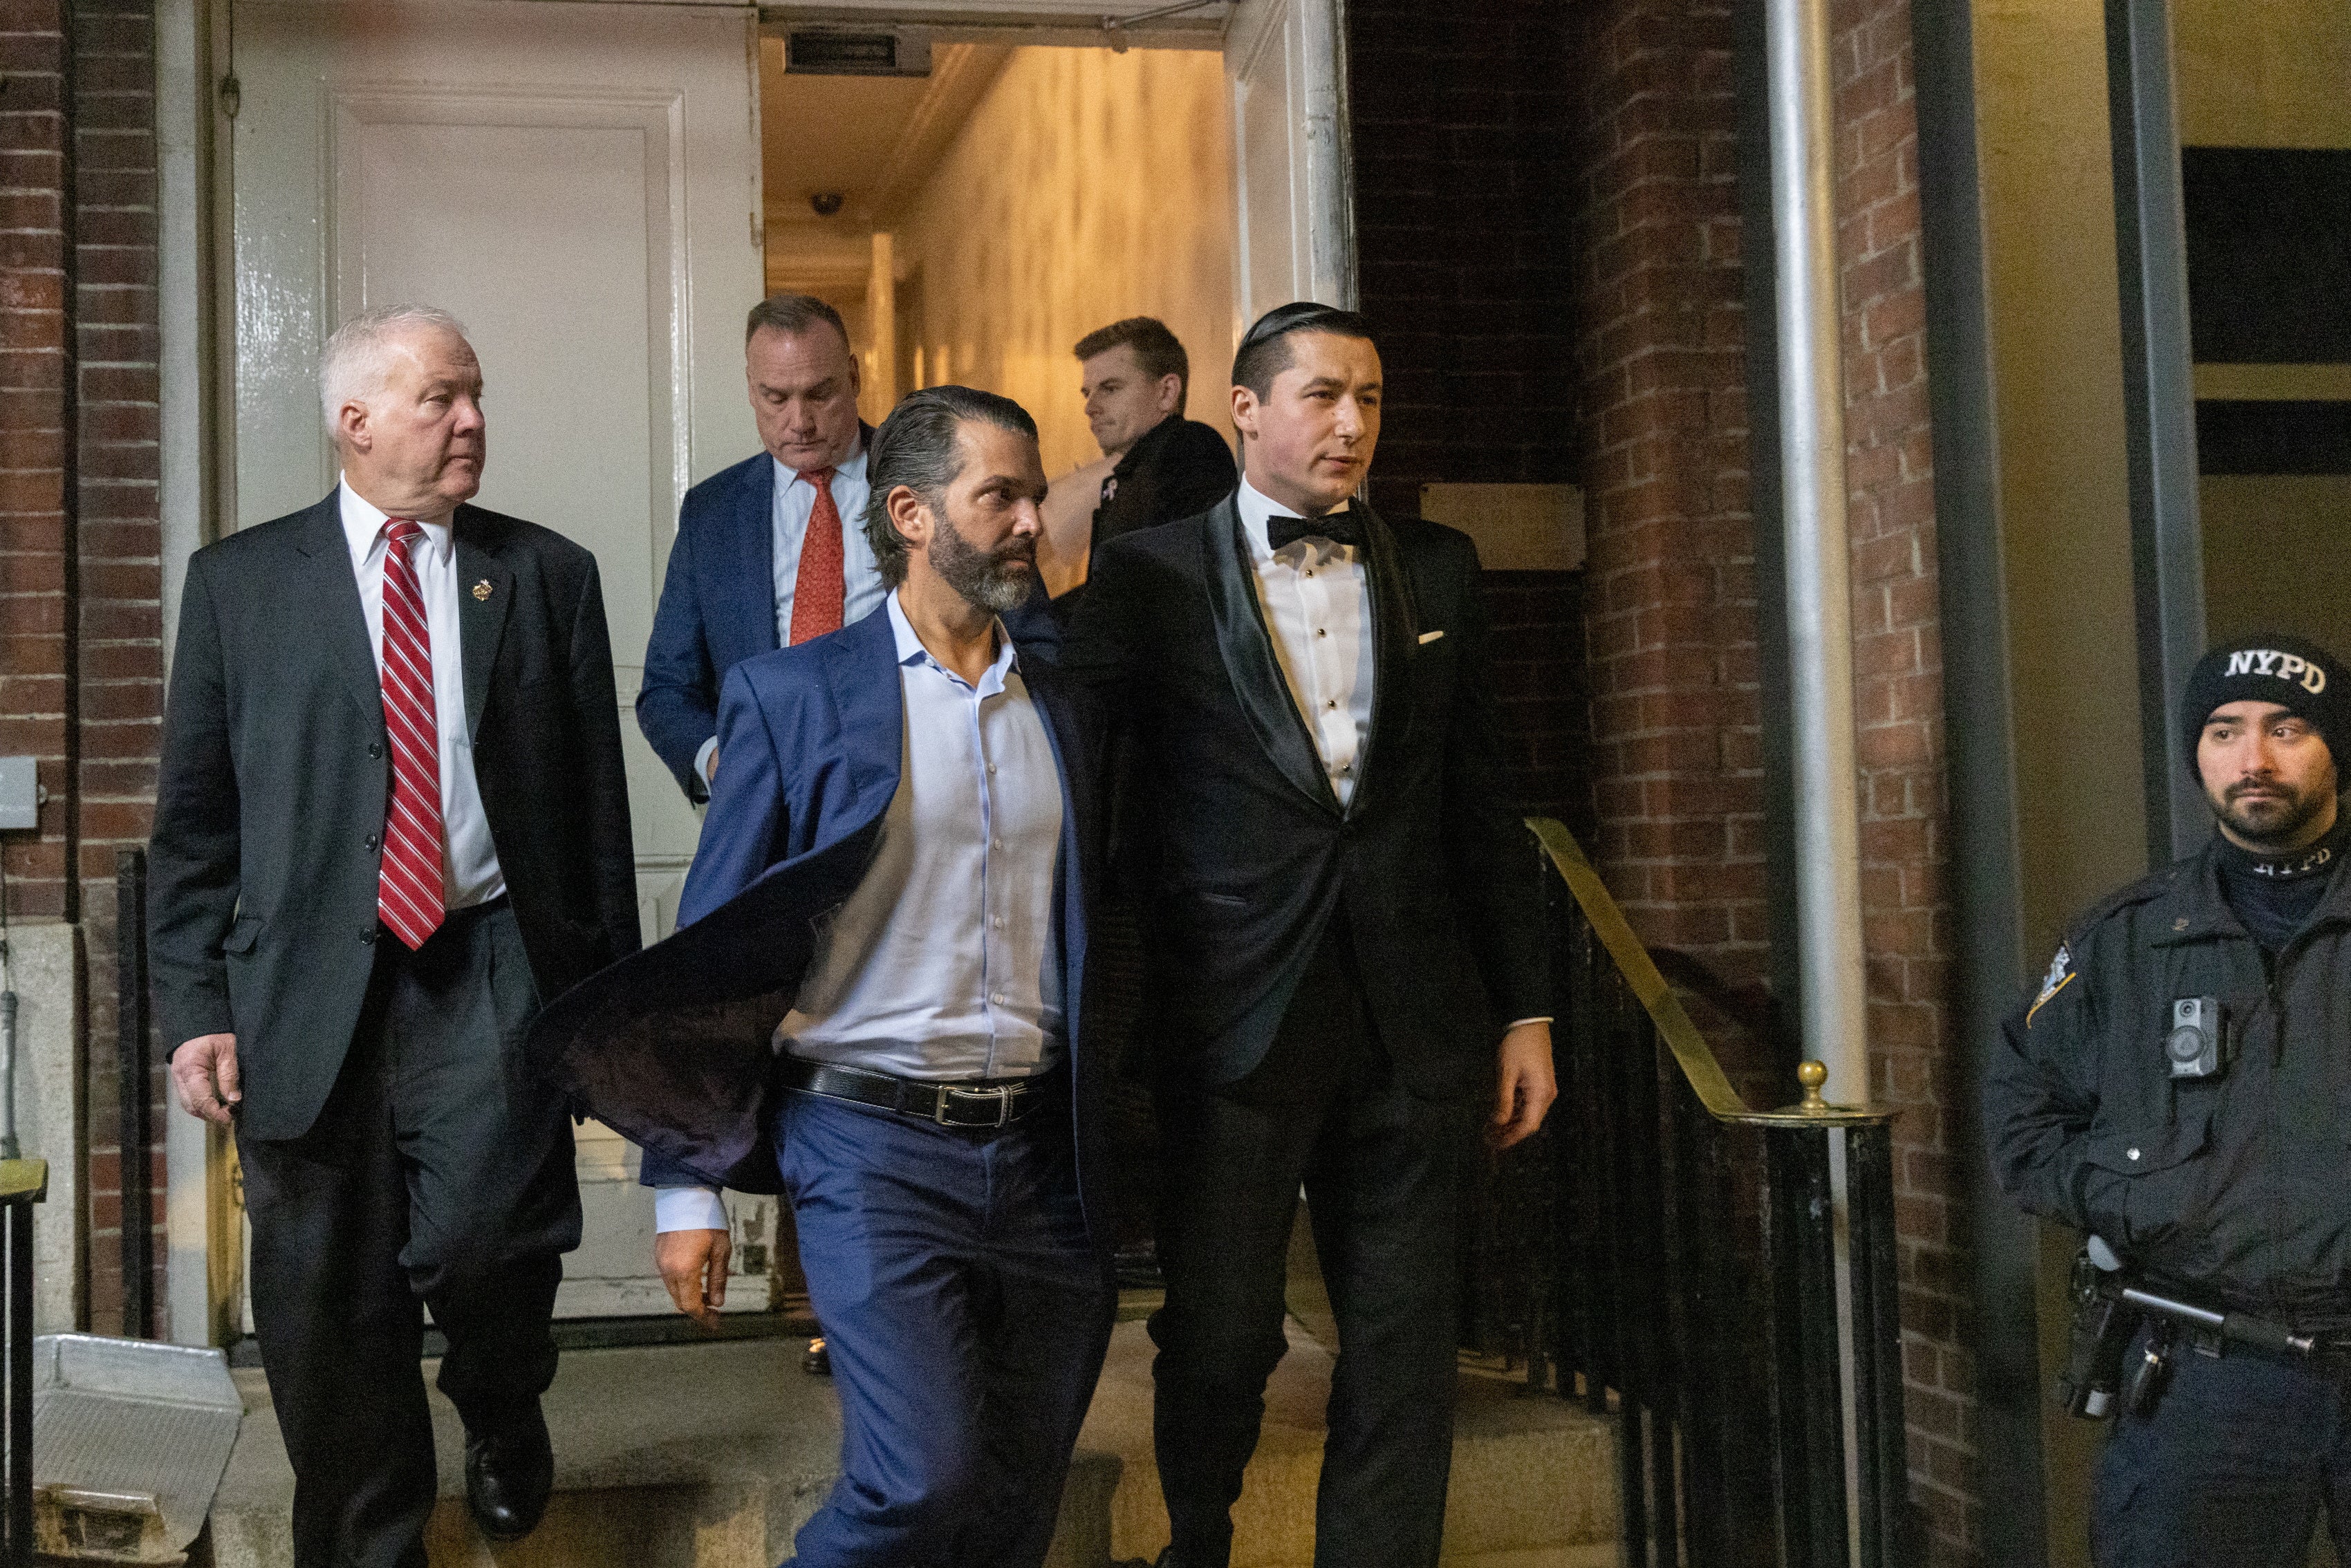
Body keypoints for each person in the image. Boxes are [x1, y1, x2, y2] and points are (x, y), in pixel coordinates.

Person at [530, 386, 1116, 1568]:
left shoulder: (1072, 699)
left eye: (1033, 495)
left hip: (1049, 1155)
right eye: (996, 495)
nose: (1027, 521)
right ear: (910, 511)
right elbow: (708, 947)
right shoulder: (793, 696)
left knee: (1015, 1498)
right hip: (870, 1144)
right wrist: (686, 1193)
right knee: (919, 1477)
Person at [1059, 302, 1557, 1568]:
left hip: (1414, 1021)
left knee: (1401, 1343)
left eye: (1371, 399)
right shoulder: (1150, 574)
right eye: (1324, 395)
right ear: (1244, 408)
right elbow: (1087, 787)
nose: (1351, 424)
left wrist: (1527, 1007)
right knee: (1223, 1330)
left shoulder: (1437, 565)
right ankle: (1202, 1536)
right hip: (1232, 1020)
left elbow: (1480, 799)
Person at [149, 304, 641, 1566]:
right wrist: (196, 1004)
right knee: (327, 1312)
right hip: (302, 992)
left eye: (475, 395)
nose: (473, 419)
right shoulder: (241, 585)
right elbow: (197, 826)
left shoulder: (544, 575)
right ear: (355, 421)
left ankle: (500, 1394)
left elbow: (592, 813)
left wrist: (606, 1014)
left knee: (492, 1241)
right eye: (442, 398)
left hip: (486, 967)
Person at [1987, 633, 2351, 1568]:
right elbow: (2025, 1121)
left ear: (2336, 747)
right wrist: (2146, 1198)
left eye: (2289, 728)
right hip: (2209, 1381)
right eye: (2225, 731)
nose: (2254, 759)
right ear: (2198, 752)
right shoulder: (2125, 942)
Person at [638, 293, 882, 803]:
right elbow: (666, 689)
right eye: (776, 398)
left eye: (820, 393)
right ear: (751, 390)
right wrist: (717, 761)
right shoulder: (712, 512)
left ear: (854, 378)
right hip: (769, 800)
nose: (800, 421)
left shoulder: (927, 483)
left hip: (907, 783)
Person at [1037, 317, 1235, 599]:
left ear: (1166, 392)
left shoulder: (1191, 448)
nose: (1090, 407)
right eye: (1087, 393)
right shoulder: (1132, 472)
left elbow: (1146, 592)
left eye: (1110, 388)